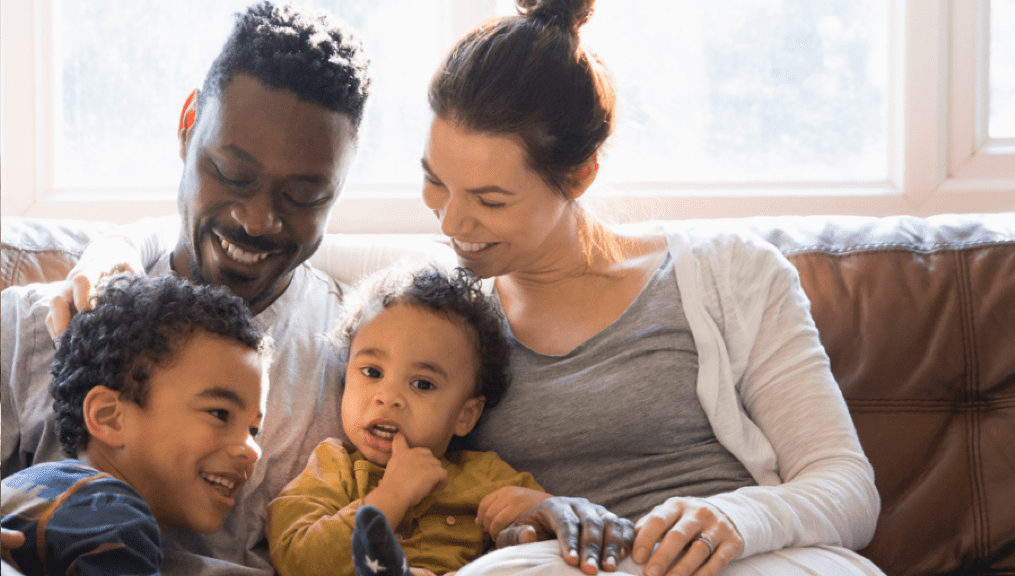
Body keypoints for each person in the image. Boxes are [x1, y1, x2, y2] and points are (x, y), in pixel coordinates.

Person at [34, 0, 887, 574]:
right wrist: (107, 256)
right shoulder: (430, 297)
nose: (451, 225)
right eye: (434, 184)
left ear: (580, 174)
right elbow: (257, 244)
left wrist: (739, 520)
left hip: (747, 560)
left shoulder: (729, 274)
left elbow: (844, 486)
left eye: (490, 199)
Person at [0, 2, 372, 575]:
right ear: (188, 124)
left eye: (303, 196)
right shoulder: (43, 322)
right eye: (232, 173)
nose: (256, 219)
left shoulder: (358, 372)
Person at [266, 263, 549, 576]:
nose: (388, 398)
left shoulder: (486, 477)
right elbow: (298, 561)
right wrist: (390, 496)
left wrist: (538, 509)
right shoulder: (332, 467)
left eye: (422, 384)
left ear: (465, 416)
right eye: (372, 372)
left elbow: (562, 527)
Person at [1, 274, 270, 576]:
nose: (252, 450)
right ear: (110, 417)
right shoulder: (114, 516)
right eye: (220, 414)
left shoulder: (34, 484)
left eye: (254, 430)